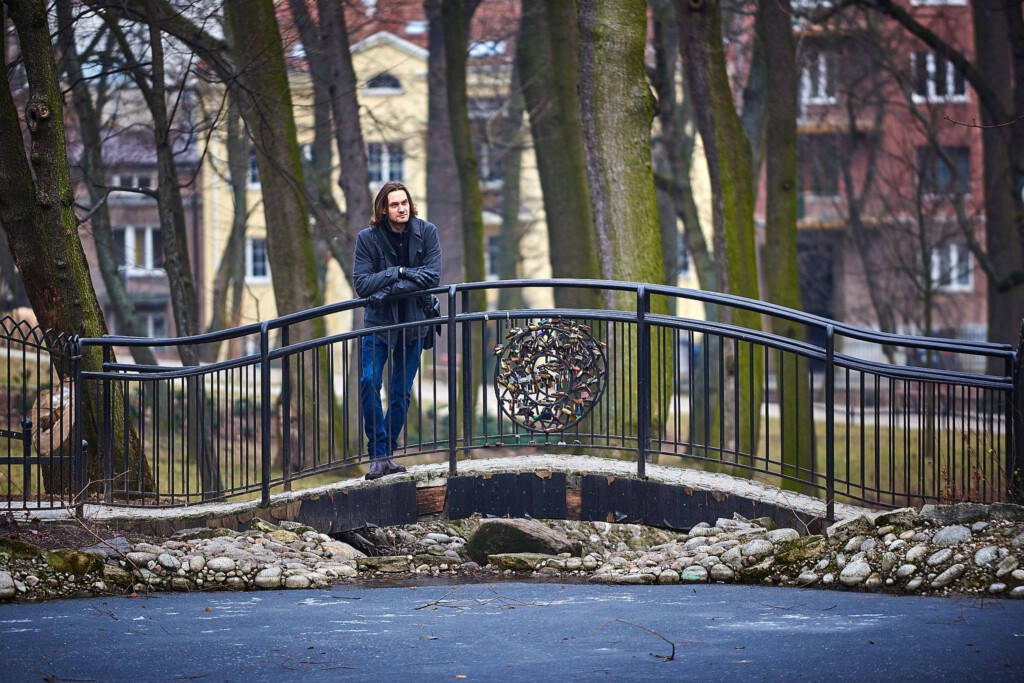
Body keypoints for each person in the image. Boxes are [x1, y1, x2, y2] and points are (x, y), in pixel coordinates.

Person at [353, 181, 442, 480]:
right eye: (394, 204)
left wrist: (388, 287)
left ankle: (386, 454)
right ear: (383, 209)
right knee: (368, 382)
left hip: (415, 323)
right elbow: (362, 284)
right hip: (379, 324)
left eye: (404, 202)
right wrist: (399, 272)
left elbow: (432, 277)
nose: (401, 208)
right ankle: (377, 454)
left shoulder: (426, 231)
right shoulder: (367, 239)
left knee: (401, 392)